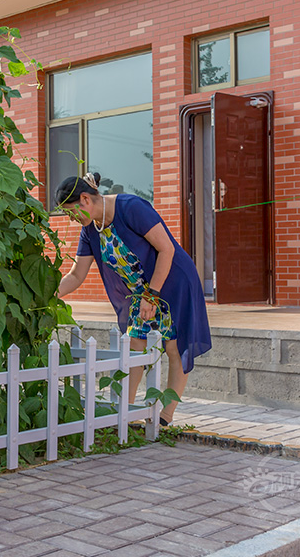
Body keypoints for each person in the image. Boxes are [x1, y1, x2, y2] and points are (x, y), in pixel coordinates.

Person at [55, 173, 211, 424]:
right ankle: (123, 414)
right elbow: (76, 275)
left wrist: (152, 294)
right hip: (142, 293)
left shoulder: (131, 208)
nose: (72, 220)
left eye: (72, 213)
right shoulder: (90, 231)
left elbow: (166, 249)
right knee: (134, 345)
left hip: (173, 280)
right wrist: (47, 294)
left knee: (173, 346)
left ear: (85, 199)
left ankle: (166, 416)